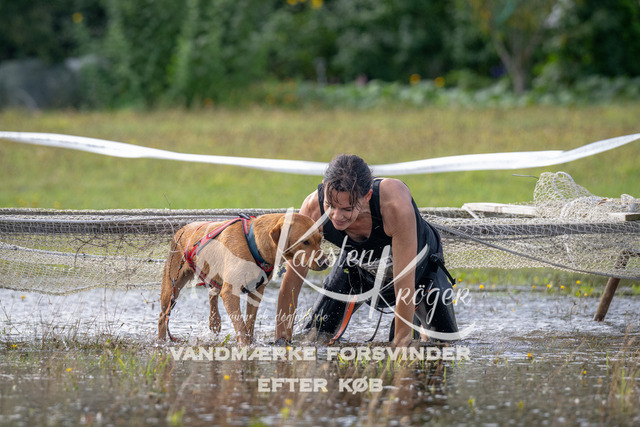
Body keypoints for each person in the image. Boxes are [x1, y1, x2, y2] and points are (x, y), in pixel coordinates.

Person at [275, 154, 458, 347]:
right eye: (330, 205)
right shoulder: (313, 209)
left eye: (347, 209)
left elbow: (405, 286)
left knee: (446, 347)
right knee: (314, 337)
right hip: (357, 266)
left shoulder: (395, 205)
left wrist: (400, 345)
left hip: (421, 272)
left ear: (367, 196)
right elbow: (291, 284)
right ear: (324, 186)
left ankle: (415, 324)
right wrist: (281, 342)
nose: (336, 216)